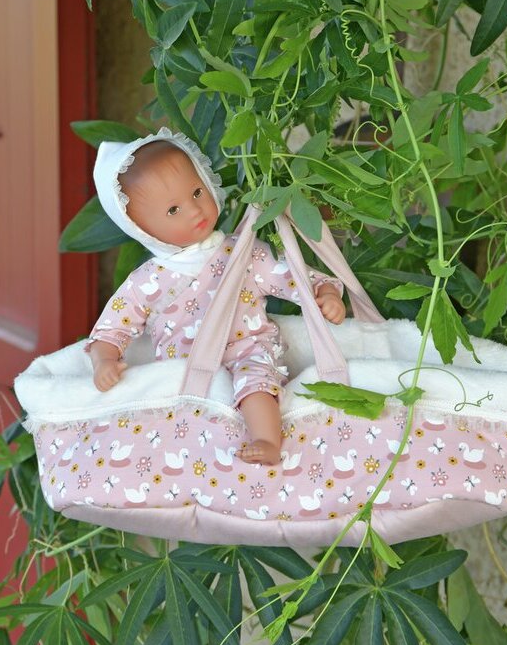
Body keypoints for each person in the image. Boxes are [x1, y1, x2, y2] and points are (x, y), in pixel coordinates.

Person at [85, 129, 346, 465]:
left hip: (247, 348)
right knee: (163, 400)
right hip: (185, 369)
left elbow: (291, 276)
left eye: (196, 192)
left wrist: (325, 293)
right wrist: (104, 361)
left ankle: (266, 440)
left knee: (256, 382)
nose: (195, 210)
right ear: (141, 229)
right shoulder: (147, 281)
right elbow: (111, 330)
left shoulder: (243, 253)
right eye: (173, 210)